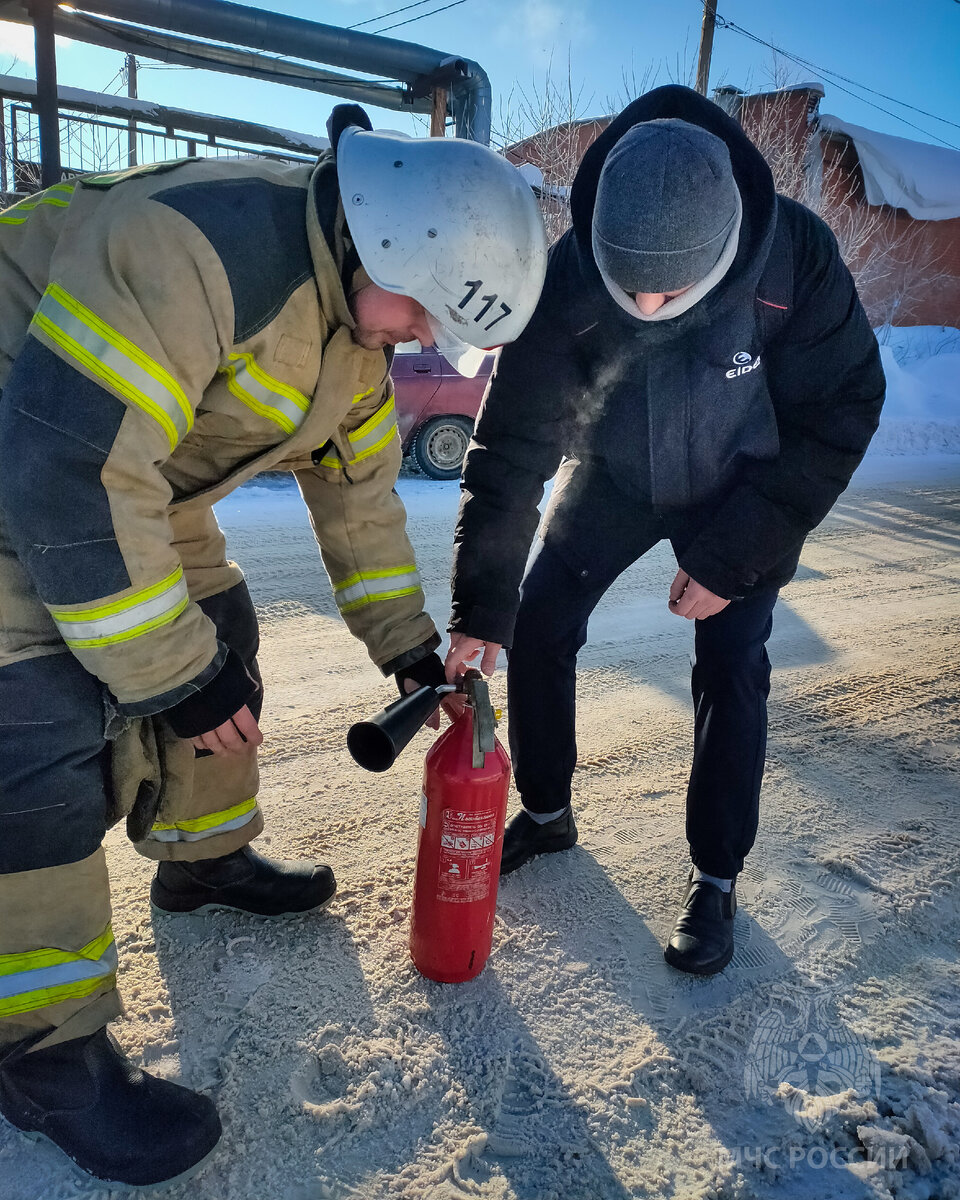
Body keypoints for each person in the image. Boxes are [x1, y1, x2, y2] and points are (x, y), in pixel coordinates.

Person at [0, 104, 547, 1187]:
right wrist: (168, 676)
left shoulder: (355, 330)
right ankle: (41, 1055)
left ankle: (200, 865)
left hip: (128, 465)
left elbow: (362, 513)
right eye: (426, 314)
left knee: (224, 640)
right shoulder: (199, 248)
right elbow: (64, 473)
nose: (424, 340)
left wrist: (409, 650)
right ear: (387, 244)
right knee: (35, 728)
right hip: (31, 450)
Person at [444, 85, 885, 979]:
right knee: (534, 620)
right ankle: (546, 810)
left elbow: (842, 410)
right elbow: (516, 440)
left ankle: (716, 877)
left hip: (742, 488)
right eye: (627, 286)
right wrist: (477, 605)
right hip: (616, 475)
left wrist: (731, 559)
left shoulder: (792, 258)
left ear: (722, 250)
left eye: (668, 290)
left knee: (731, 666)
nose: (644, 302)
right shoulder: (569, 270)